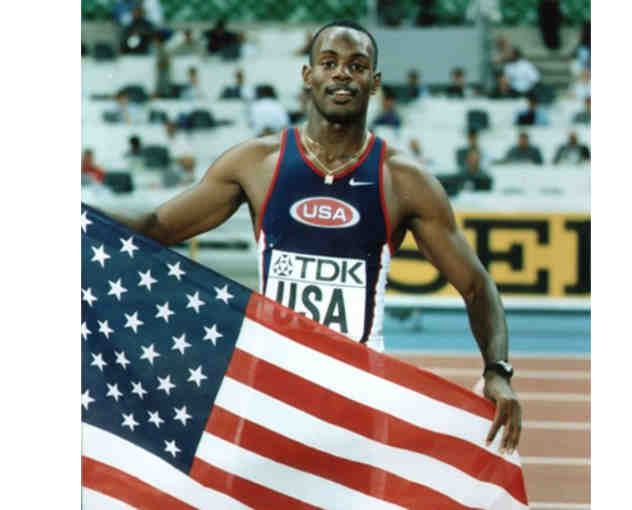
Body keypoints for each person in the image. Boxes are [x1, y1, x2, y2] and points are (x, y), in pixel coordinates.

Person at [112, 20, 522, 452]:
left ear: (374, 81)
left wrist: (498, 371)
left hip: (358, 397)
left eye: (357, 65)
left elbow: (477, 286)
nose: (342, 74)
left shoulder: (403, 180)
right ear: (308, 75)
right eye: (329, 63)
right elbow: (156, 227)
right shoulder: (257, 163)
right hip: (270, 391)